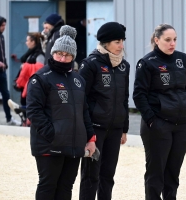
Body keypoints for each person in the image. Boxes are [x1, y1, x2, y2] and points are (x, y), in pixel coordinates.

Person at [26, 25, 96, 200]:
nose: (63, 59)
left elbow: (84, 111)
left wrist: (90, 138)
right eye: (60, 54)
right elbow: (34, 112)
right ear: (53, 53)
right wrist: (53, 134)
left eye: (68, 55)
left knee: (66, 188)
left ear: (73, 56)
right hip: (50, 144)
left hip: (74, 144)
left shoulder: (78, 79)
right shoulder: (41, 78)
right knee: (48, 186)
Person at [132, 23, 186, 200]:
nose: (172, 44)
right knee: (155, 173)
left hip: (182, 125)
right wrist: (152, 120)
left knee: (173, 173)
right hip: (158, 125)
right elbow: (139, 95)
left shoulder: (182, 59)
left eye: (175, 39)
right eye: (168, 40)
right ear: (156, 40)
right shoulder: (146, 63)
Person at [79, 22, 130, 200]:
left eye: (122, 41)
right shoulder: (90, 64)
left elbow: (125, 98)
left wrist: (124, 128)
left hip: (115, 130)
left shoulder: (124, 66)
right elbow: (81, 100)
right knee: (90, 176)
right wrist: (87, 132)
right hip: (95, 129)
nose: (121, 45)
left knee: (108, 176)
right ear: (106, 43)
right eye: (117, 41)